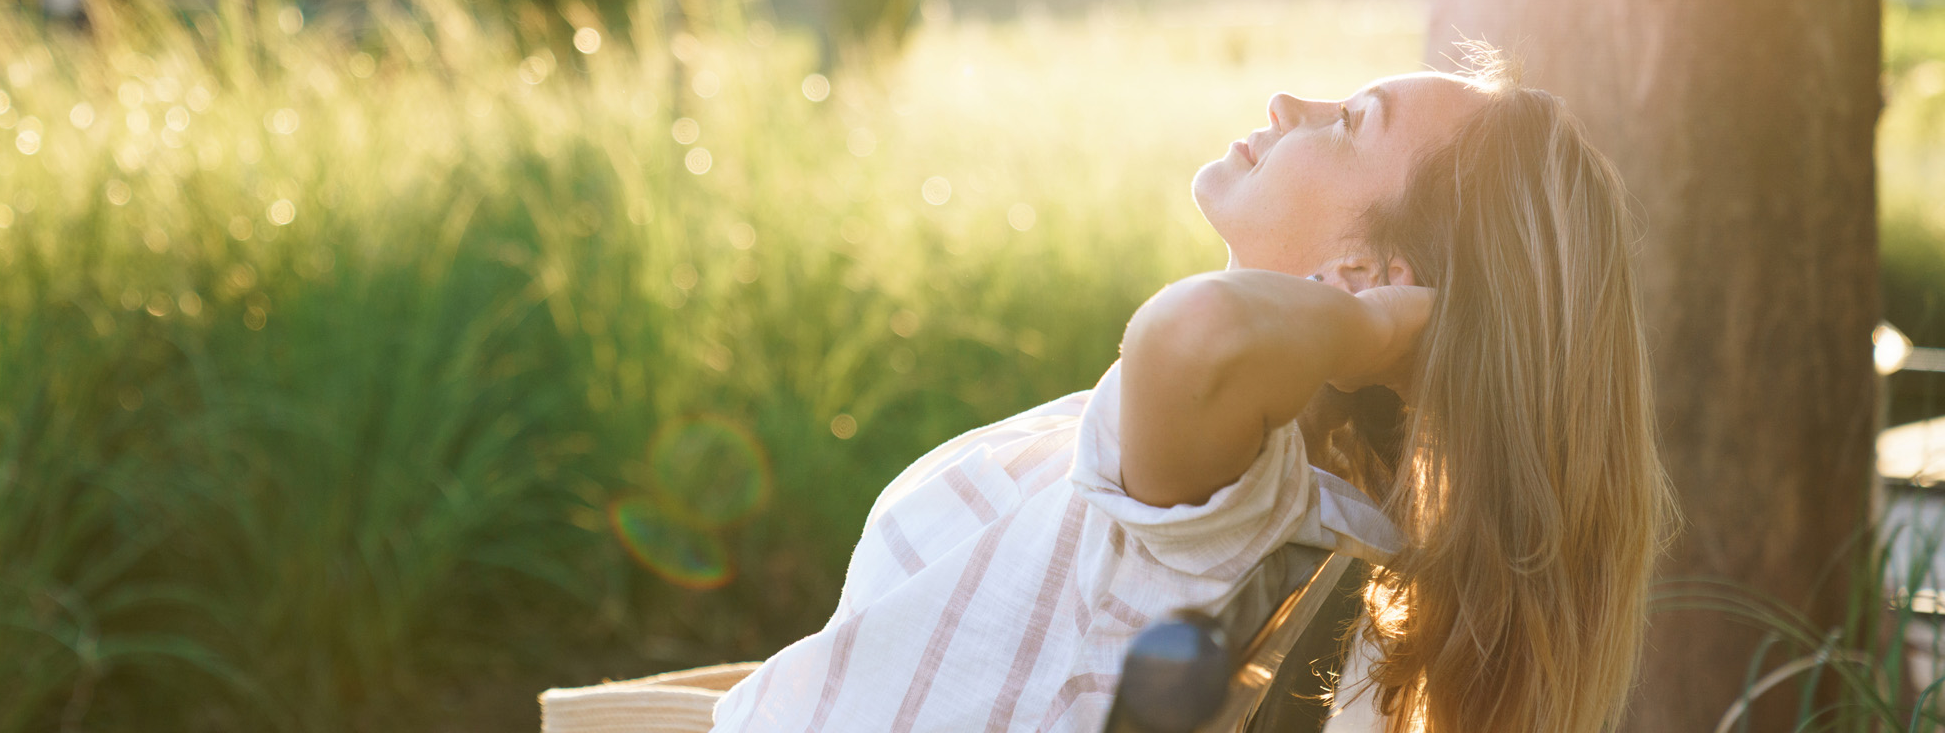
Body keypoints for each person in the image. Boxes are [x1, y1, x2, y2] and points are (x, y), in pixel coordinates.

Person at [707, 49, 1674, 733]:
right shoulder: (1266, 487)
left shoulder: (1245, 516)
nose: (1290, 101)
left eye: (1348, 123)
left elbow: (1195, 336)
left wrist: (1370, 325)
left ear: (1372, 272)